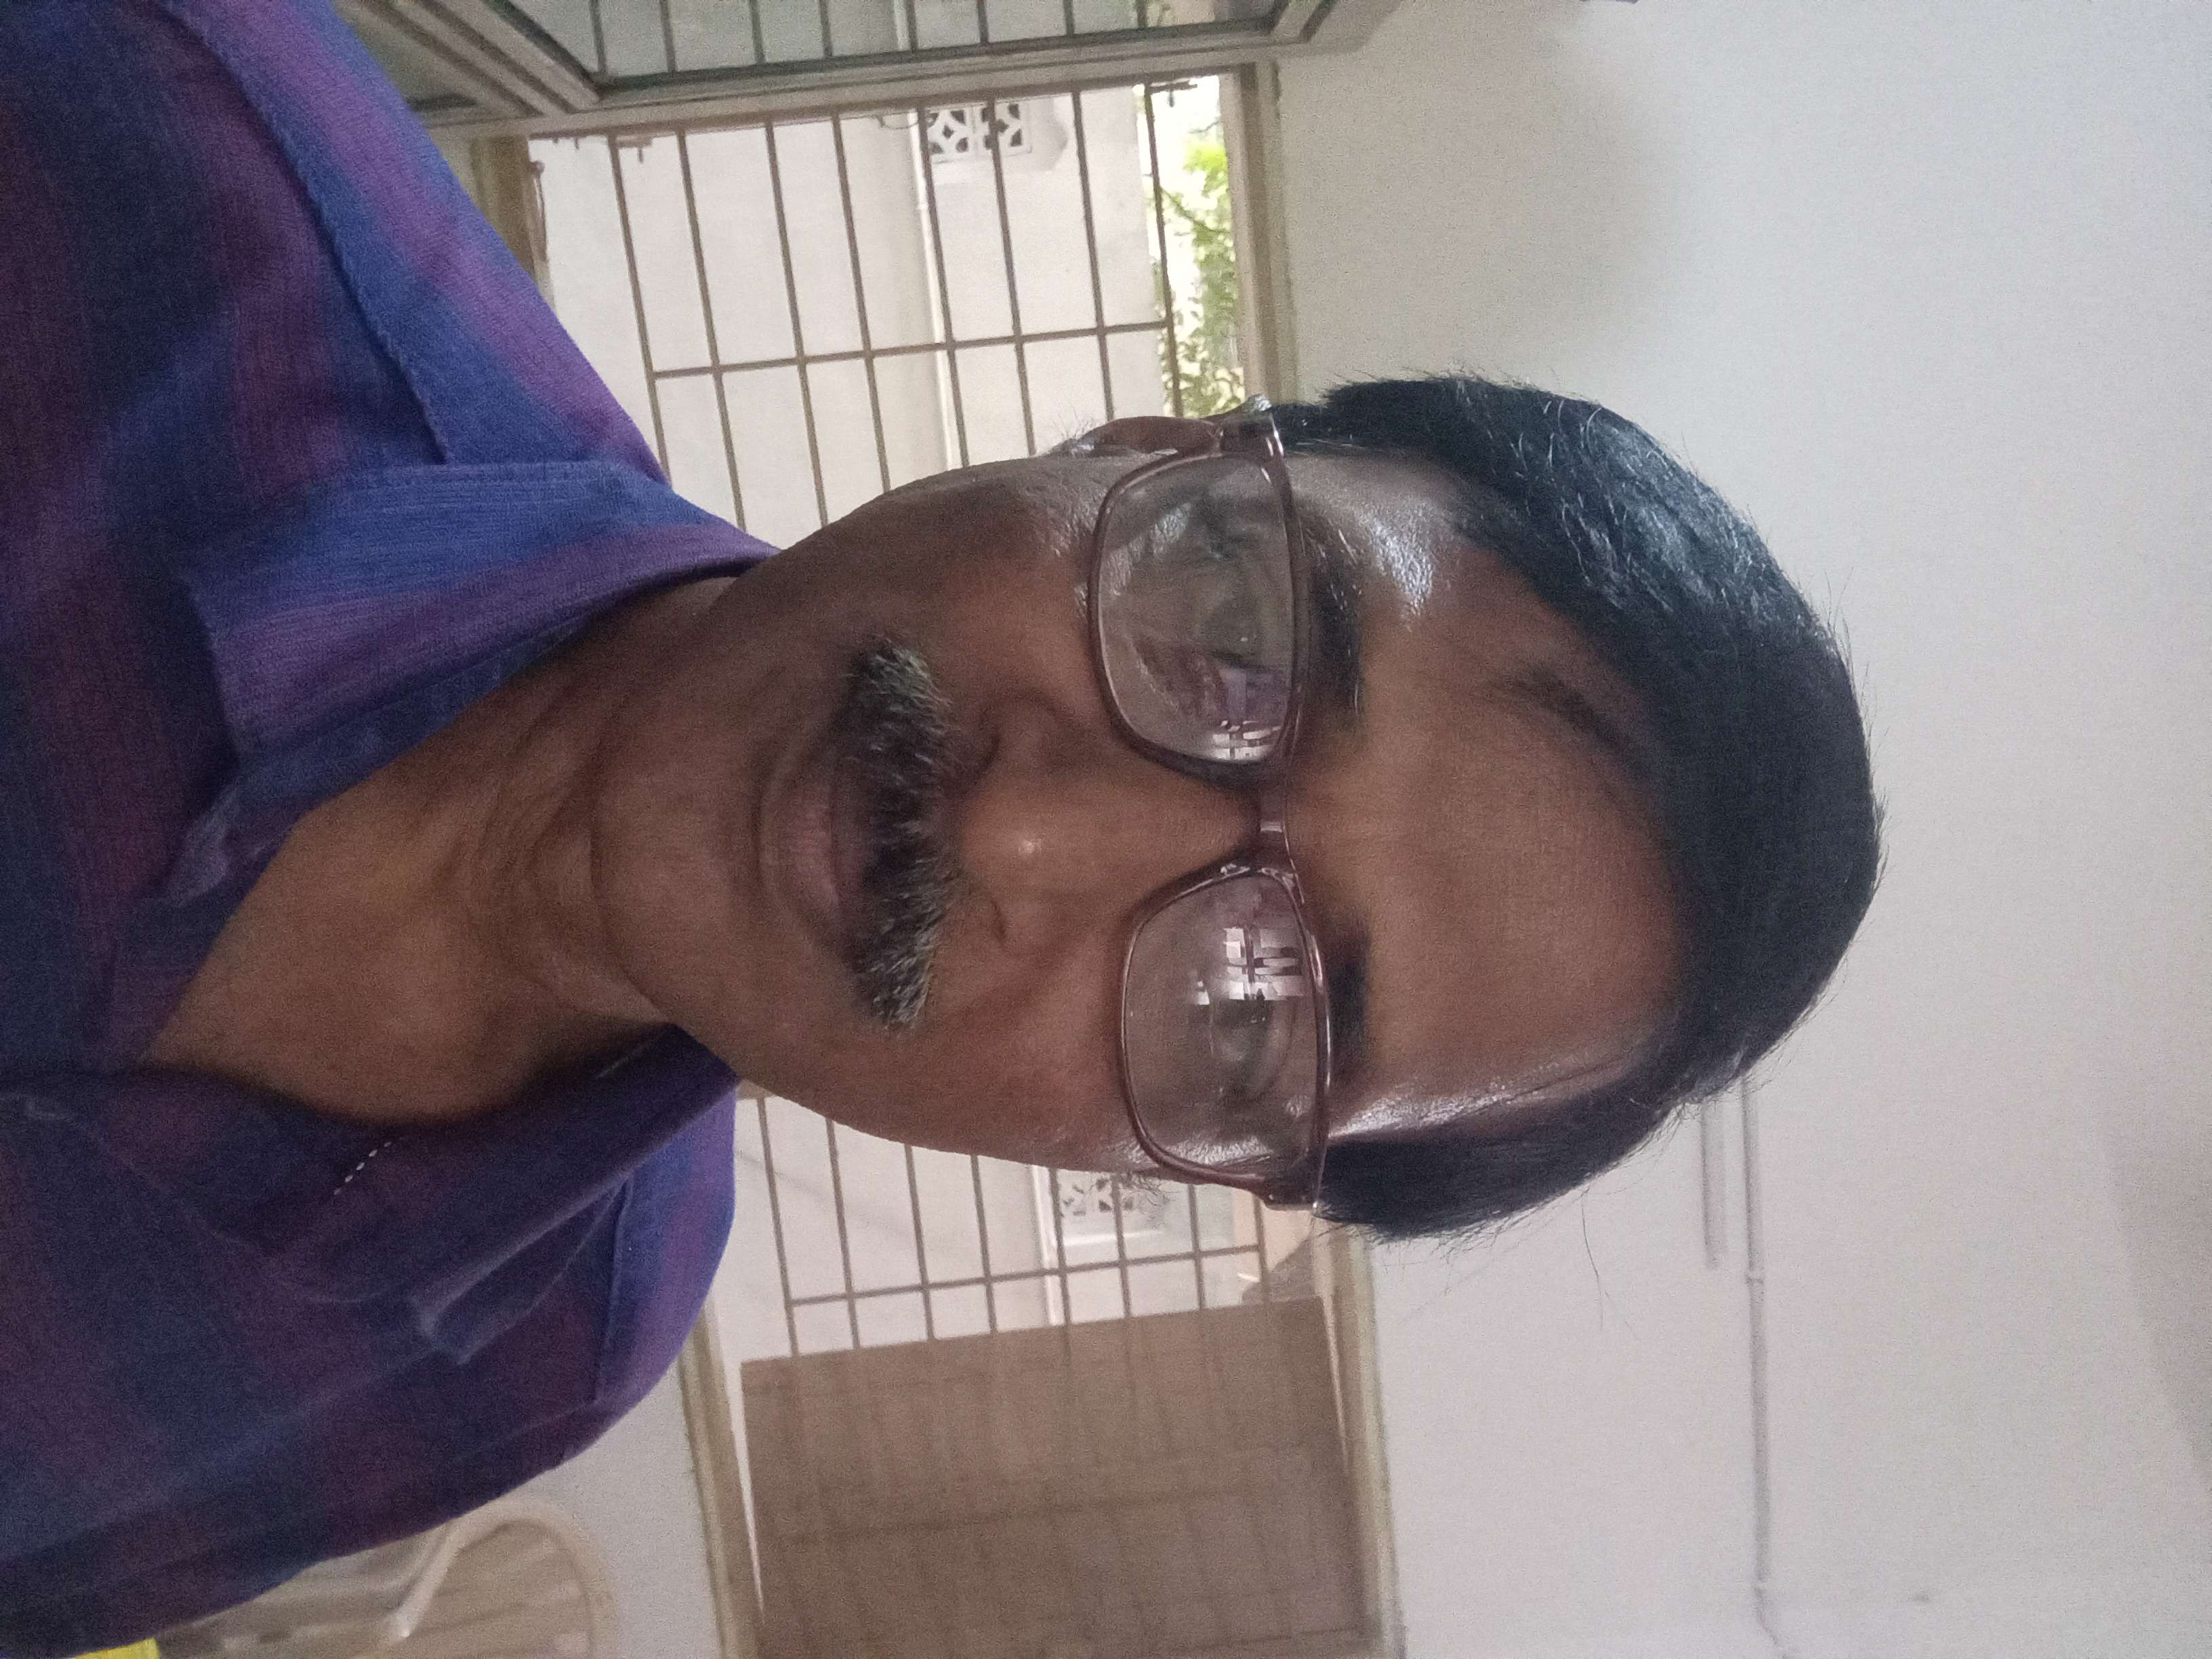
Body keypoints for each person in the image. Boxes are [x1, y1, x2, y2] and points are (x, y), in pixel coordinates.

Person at [0, 1, 1880, 1653]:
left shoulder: (542, 1350)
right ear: (1146, 449)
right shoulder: (107, 134)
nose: (1027, 836)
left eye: (1260, 1009)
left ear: (1183, 1164)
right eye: (1237, 636)